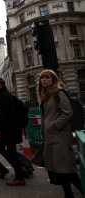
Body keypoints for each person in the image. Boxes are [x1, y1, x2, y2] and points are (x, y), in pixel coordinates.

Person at [37, 69, 82, 198]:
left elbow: (67, 112)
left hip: (60, 136)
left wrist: (54, 126)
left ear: (53, 80)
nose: (44, 80)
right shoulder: (46, 95)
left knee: (66, 168)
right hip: (51, 137)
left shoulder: (58, 93)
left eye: (47, 78)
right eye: (42, 78)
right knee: (59, 168)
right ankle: (68, 194)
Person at [0, 77, 25, 186]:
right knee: (5, 149)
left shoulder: (3, 97)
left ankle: (20, 176)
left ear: (0, 85)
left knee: (10, 151)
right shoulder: (4, 95)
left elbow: (3, 115)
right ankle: (20, 170)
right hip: (11, 128)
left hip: (9, 129)